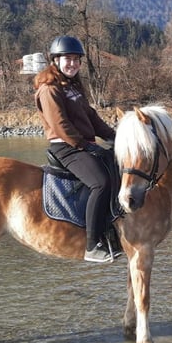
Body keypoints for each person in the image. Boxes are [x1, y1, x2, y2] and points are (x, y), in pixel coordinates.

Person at [34, 35, 123, 263]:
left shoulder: (72, 86)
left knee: (116, 165)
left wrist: (115, 137)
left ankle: (109, 229)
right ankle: (92, 245)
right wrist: (86, 147)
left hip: (82, 144)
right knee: (100, 182)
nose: (72, 63)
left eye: (76, 59)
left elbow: (91, 117)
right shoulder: (49, 89)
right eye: (67, 59)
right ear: (55, 60)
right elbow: (60, 124)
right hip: (66, 147)